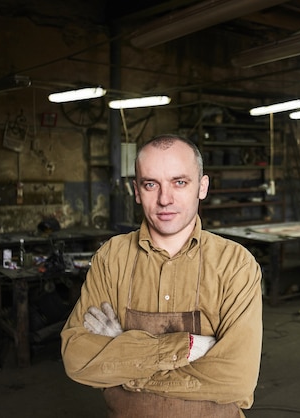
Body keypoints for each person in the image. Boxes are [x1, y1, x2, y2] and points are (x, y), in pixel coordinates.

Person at [60, 134, 263, 418]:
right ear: (136, 191)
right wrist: (190, 348)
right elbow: (77, 358)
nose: (164, 199)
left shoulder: (236, 265)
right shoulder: (112, 258)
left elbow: (236, 378)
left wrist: (125, 354)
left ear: (202, 187)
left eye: (179, 182)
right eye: (151, 184)